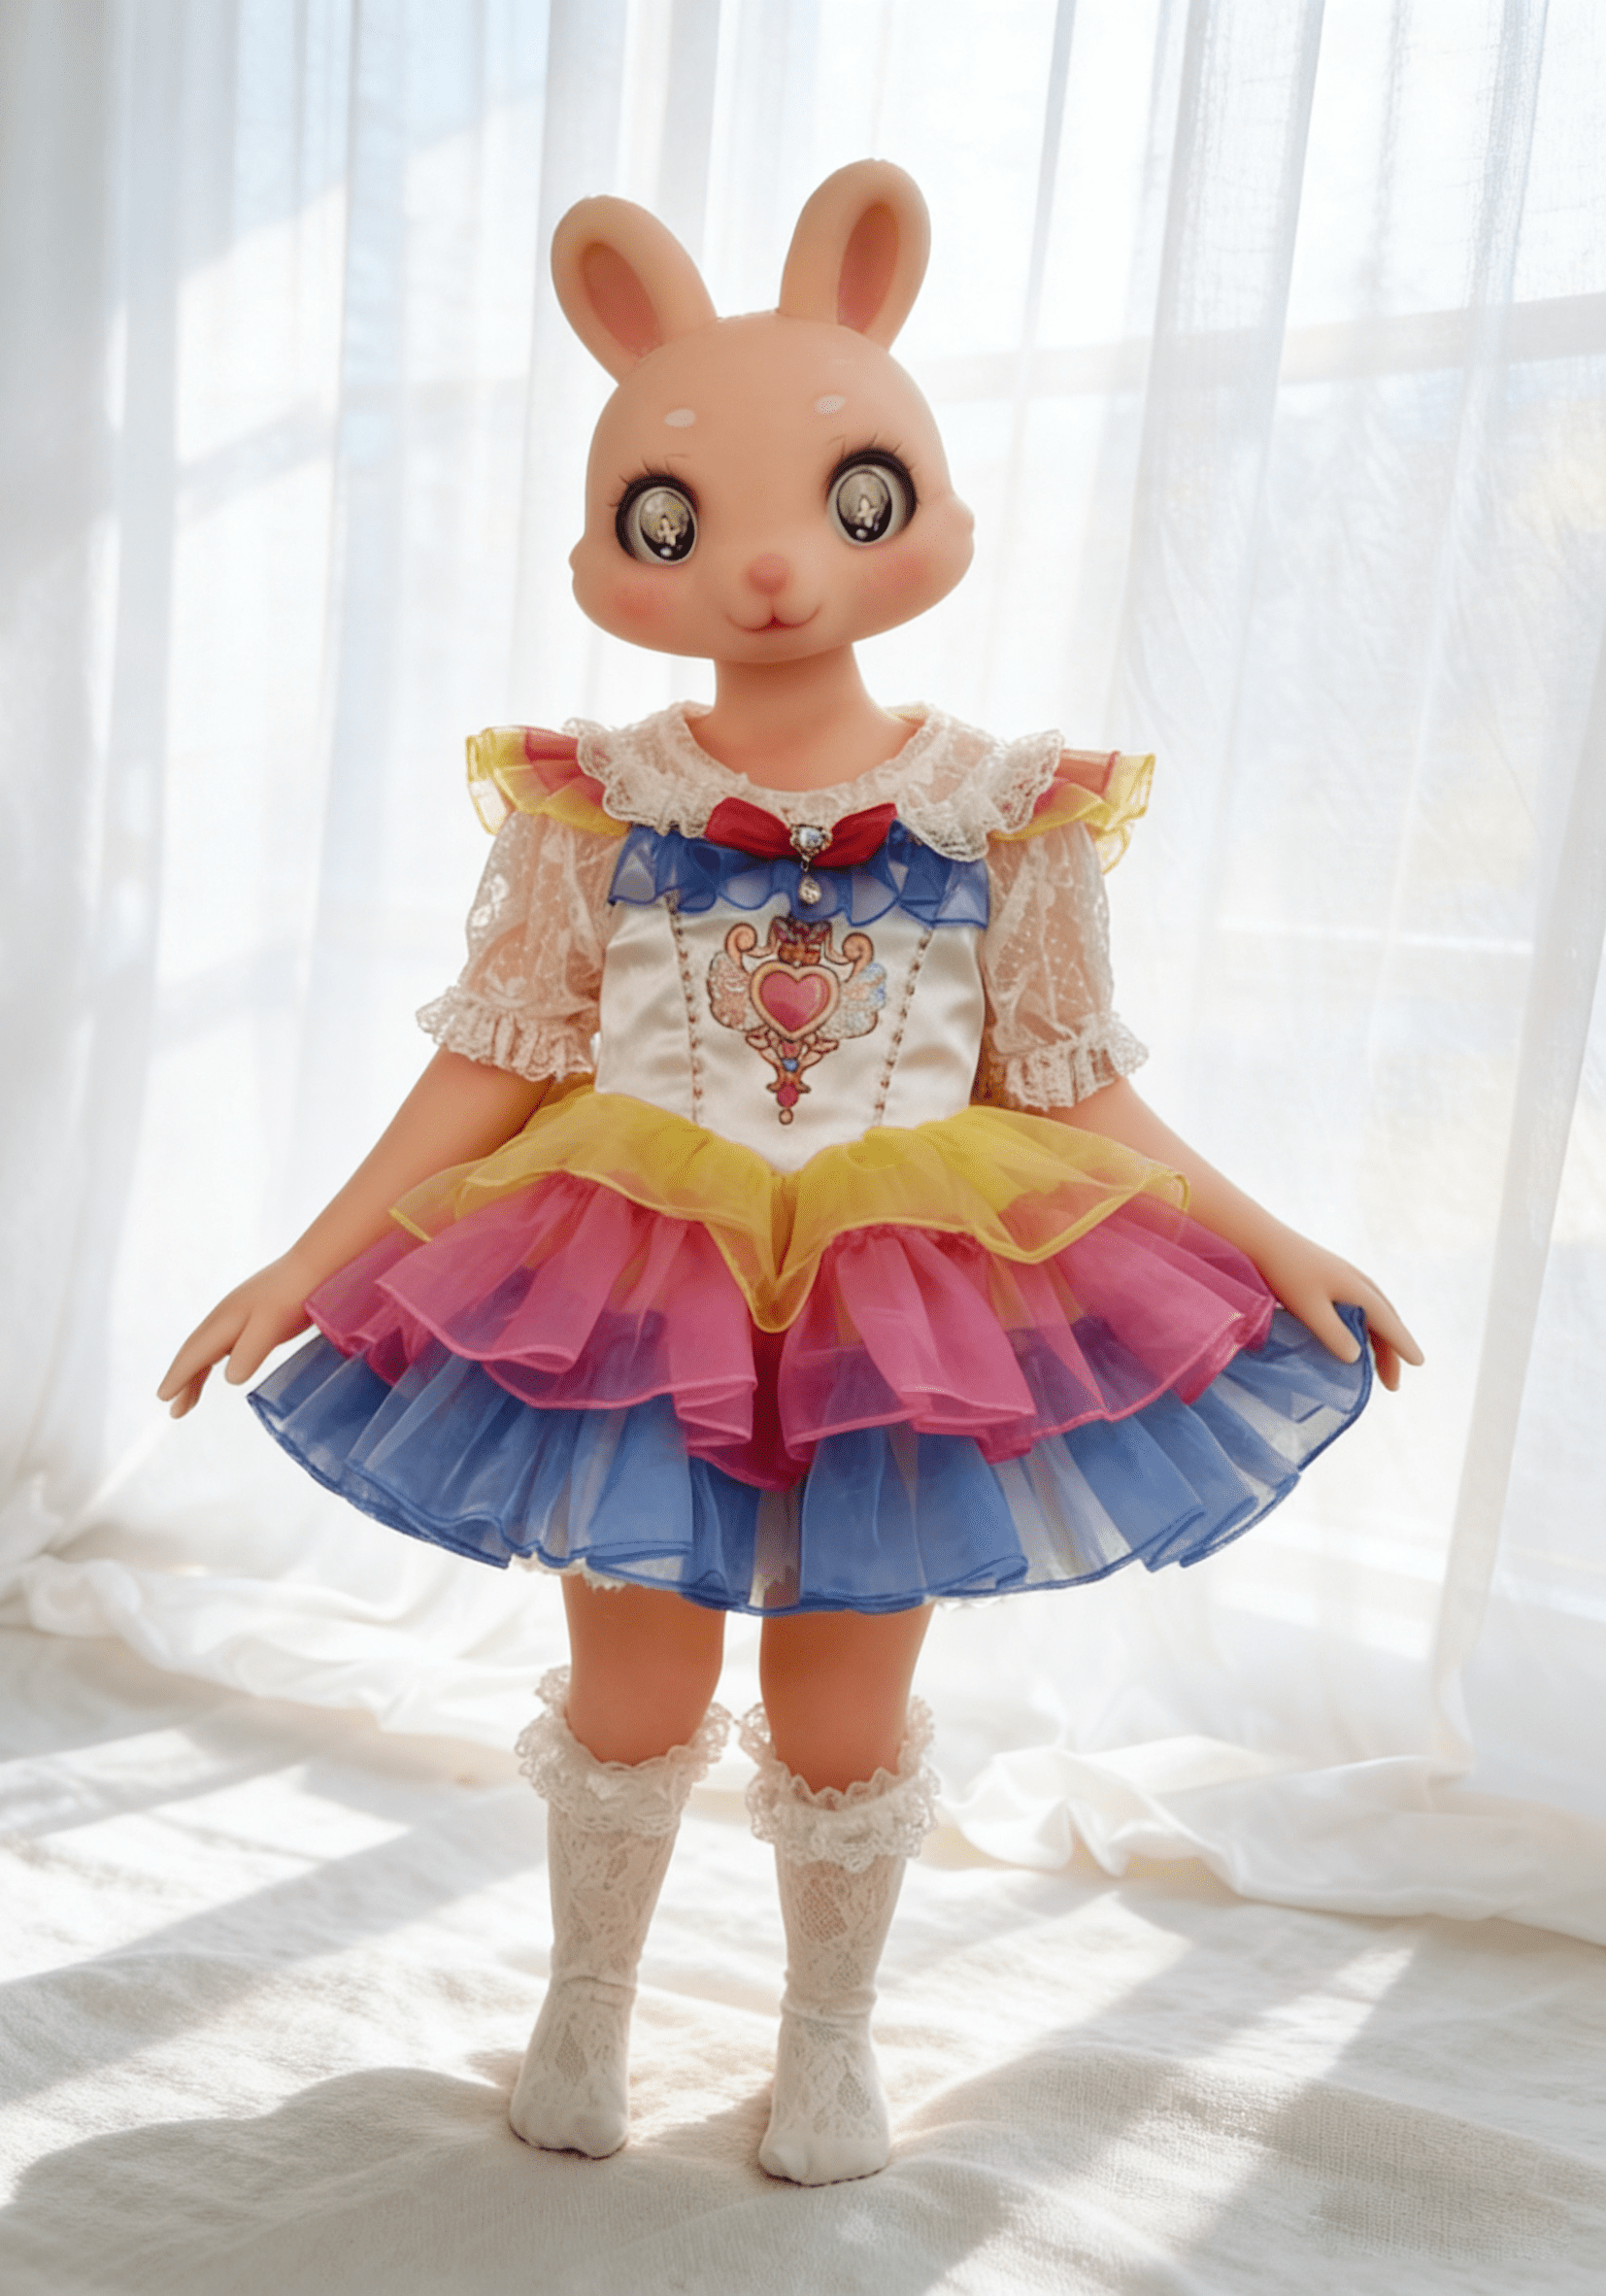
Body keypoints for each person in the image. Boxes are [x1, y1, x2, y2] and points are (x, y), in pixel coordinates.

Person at [160, 162, 1421, 2186]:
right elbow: (498, 1052)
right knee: (632, 1672)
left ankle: (826, 2038)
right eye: (673, 520)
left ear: (926, 507)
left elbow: (1069, 1083)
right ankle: (588, 2003)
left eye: (850, 496)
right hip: (624, 1278)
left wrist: (1267, 1237)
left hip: (904, 1296)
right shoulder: (598, 801)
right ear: (613, 556)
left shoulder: (1001, 810)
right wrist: (306, 1262)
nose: (764, 568)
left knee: (844, 1696)